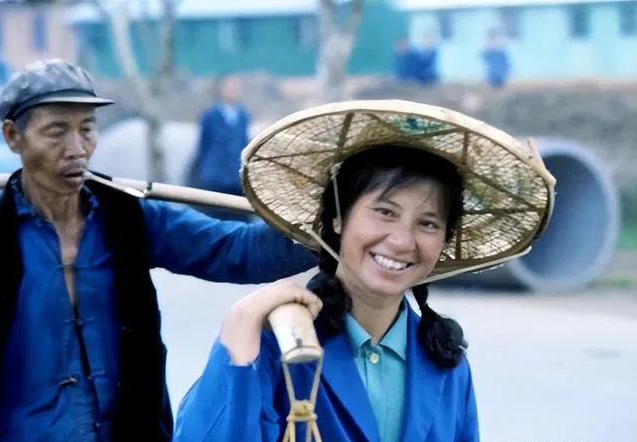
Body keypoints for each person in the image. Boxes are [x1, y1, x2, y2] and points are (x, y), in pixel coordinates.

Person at [174, 101, 556, 441]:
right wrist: (241, 326)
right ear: (338, 217)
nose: (402, 241)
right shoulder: (278, 342)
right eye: (385, 212)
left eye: (428, 223)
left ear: (445, 239)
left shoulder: (445, 362)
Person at [0, 59, 317, 442]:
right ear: (13, 136)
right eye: (56, 132)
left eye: (87, 129)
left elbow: (235, 249)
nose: (76, 148)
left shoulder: (129, 217)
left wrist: (327, 227)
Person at [185, 74, 253, 222]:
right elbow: (203, 146)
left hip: (237, 178)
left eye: (236, 86)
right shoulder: (210, 115)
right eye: (229, 86)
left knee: (239, 219)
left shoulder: (243, 116)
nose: (233, 89)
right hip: (215, 178)